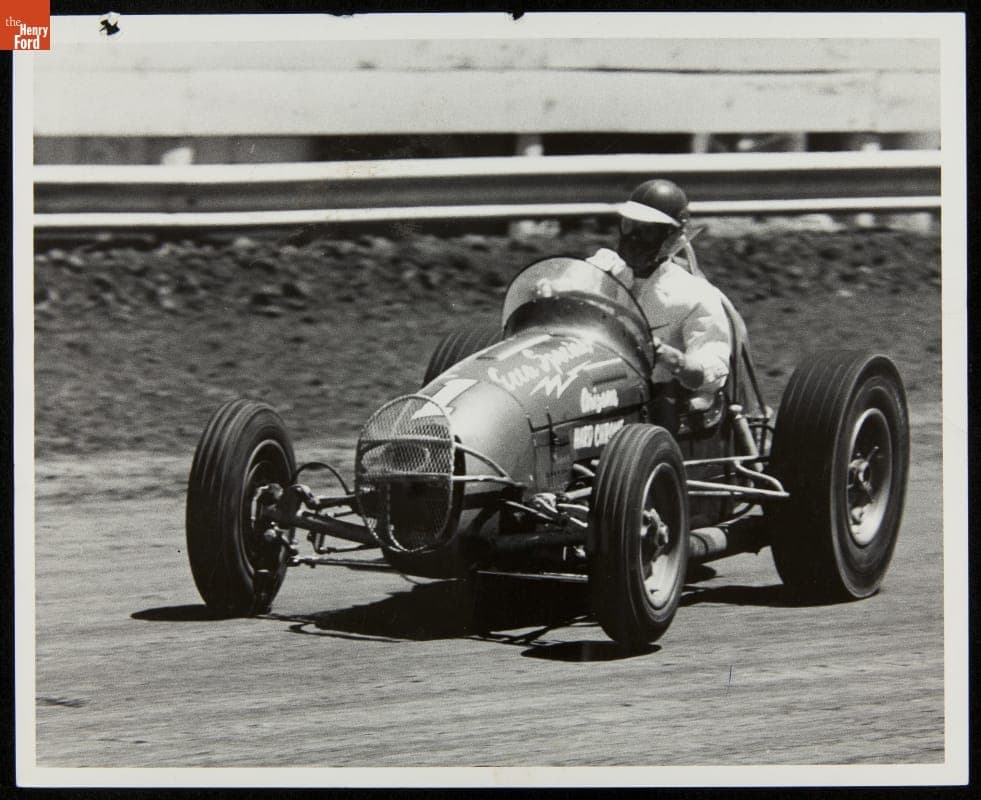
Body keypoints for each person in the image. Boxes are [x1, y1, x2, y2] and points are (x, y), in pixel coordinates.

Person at [587, 179, 732, 412]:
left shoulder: (696, 295)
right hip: (589, 392)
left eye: (647, 231)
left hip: (652, 405)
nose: (634, 237)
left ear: (671, 237)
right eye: (629, 226)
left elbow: (714, 370)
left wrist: (672, 358)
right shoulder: (597, 270)